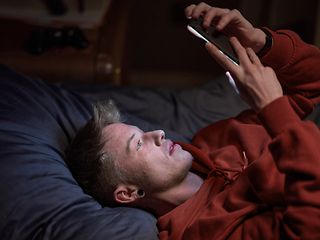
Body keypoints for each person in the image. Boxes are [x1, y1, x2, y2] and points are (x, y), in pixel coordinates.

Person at [65, 2, 320, 239]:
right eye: (139, 144)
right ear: (129, 193)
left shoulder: (215, 139)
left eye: (144, 131)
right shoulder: (203, 231)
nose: (158, 133)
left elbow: (312, 86)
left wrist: (260, 43)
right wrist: (271, 107)